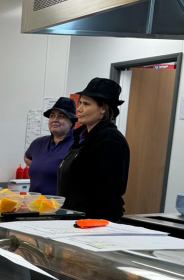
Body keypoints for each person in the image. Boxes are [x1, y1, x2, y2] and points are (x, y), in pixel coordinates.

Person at [58, 77, 130, 221]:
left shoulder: (110, 140)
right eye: (80, 103)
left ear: (103, 108)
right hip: (74, 217)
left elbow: (108, 190)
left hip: (95, 222)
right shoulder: (82, 136)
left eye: (86, 104)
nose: (79, 109)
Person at [24, 97, 76, 195]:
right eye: (52, 116)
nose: (54, 120)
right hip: (34, 204)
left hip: (61, 207)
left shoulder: (77, 145)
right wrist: (41, 166)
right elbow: (26, 156)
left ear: (71, 122)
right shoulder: (38, 143)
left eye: (61, 116)